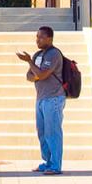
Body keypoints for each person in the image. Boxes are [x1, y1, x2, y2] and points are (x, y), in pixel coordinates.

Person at [17, 25, 65, 175]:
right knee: (42, 132)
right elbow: (29, 76)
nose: (38, 40)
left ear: (50, 39)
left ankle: (56, 165)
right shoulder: (37, 55)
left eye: (41, 37)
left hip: (54, 98)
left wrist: (30, 63)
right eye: (37, 37)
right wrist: (35, 70)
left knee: (53, 132)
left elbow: (42, 75)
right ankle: (47, 162)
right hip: (41, 98)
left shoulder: (54, 54)